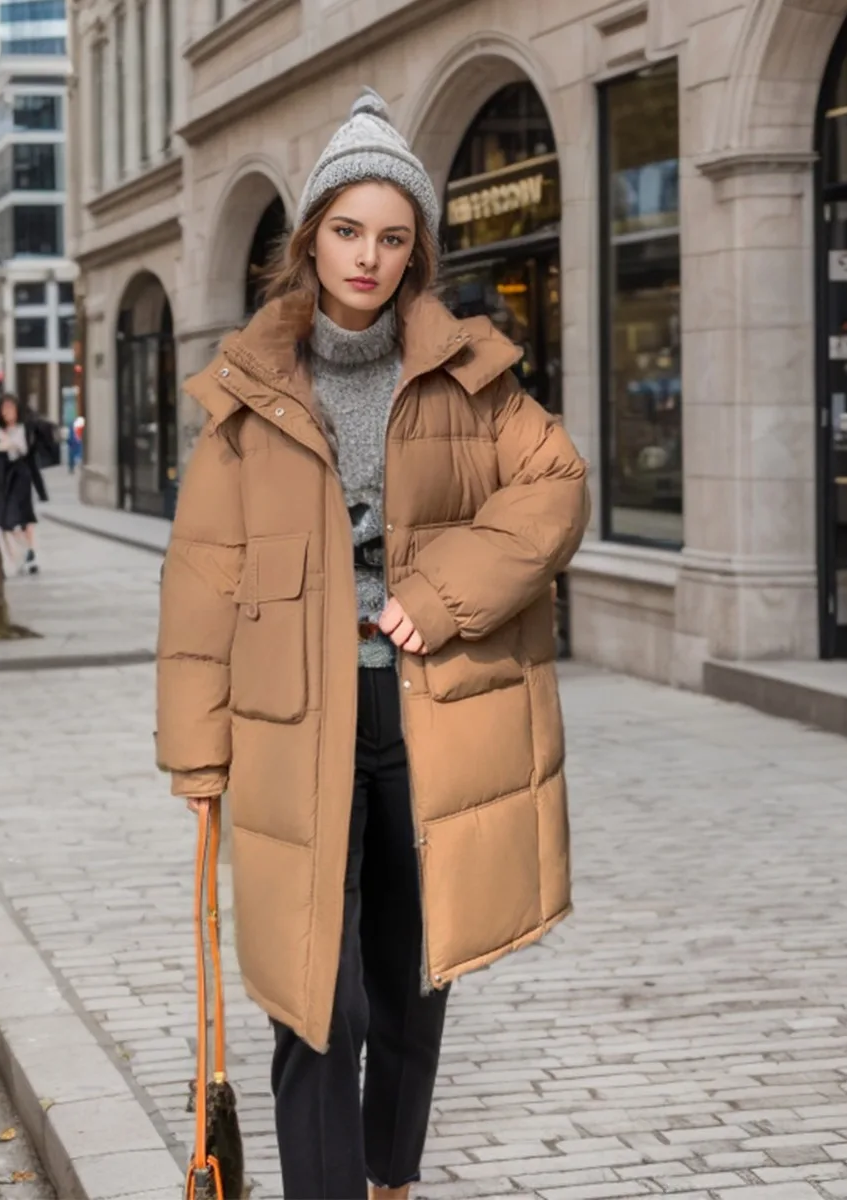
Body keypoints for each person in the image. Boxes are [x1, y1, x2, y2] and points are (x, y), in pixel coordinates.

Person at [156, 89, 589, 1200]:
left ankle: (388, 1175)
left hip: (423, 716)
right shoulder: (249, 393)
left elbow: (555, 487)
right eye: (348, 231)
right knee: (316, 995)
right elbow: (203, 581)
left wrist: (439, 593)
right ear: (309, 240)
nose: (370, 257)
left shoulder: (471, 375)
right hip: (294, 724)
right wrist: (195, 755)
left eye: (394, 237)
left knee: (412, 976)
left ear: (417, 251)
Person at [0, 393, 47, 575]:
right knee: (5, 522)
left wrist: (41, 490)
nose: (8, 412)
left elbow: (31, 456)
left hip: (21, 477)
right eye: (4, 409)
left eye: (11, 408)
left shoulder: (25, 428)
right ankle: (27, 553)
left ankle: (30, 555)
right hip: (3, 479)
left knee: (25, 518)